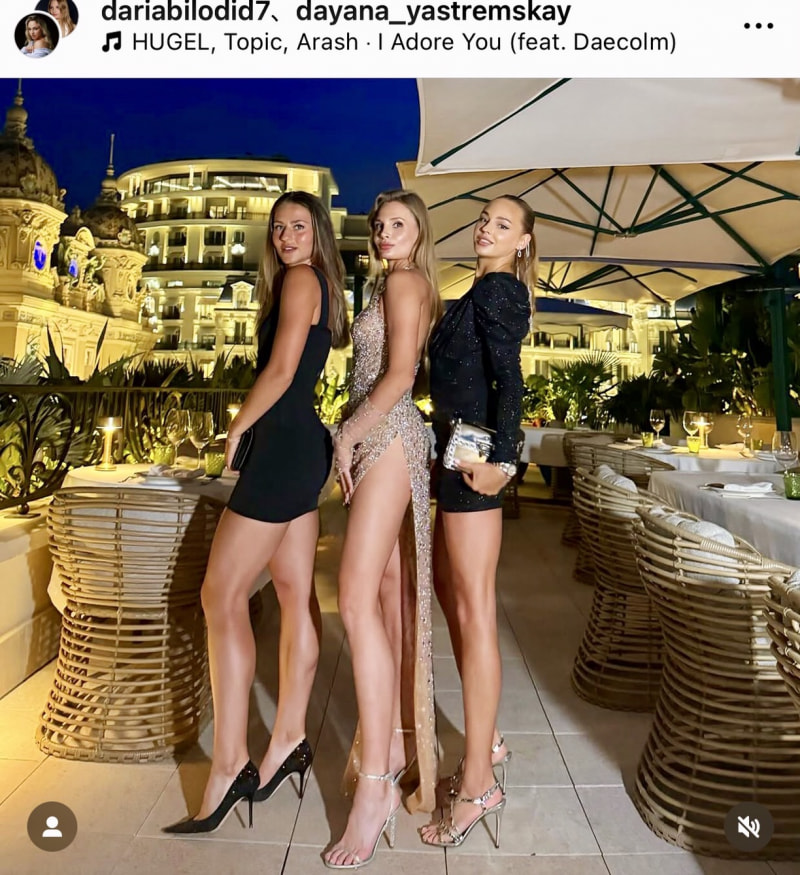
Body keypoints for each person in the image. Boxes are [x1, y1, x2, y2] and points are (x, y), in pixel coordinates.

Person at [163, 191, 349, 834]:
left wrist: (237, 428)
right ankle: (289, 738)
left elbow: (282, 370)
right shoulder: (319, 284)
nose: (286, 236)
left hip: (282, 447)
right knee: (295, 595)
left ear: (318, 233)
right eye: (278, 228)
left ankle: (231, 763)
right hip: (301, 446)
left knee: (221, 594)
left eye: (299, 226)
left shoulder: (301, 280)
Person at [323, 190, 442, 869]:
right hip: (385, 437)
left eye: (398, 224)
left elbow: (400, 375)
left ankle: (375, 783)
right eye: (379, 225)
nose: (384, 232)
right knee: (389, 601)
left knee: (355, 595)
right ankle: (393, 743)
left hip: (389, 436)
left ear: (419, 232)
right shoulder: (393, 283)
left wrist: (347, 435)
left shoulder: (404, 281)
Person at [420, 195, 535, 850]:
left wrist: (505, 463)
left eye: (502, 224)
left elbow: (511, 383)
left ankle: (478, 783)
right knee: (452, 595)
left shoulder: (499, 290)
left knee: (473, 610)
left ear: (522, 243)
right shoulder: (476, 291)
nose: (486, 228)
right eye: (484, 219)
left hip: (475, 463)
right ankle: (486, 737)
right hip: (454, 455)